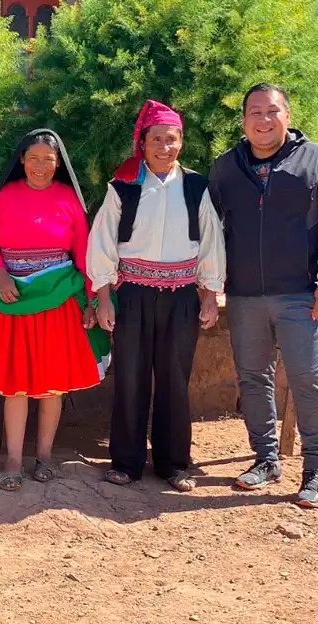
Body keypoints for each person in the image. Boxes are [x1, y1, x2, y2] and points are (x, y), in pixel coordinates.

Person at [208, 83, 318, 508]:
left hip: (299, 295)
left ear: (287, 117)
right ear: (244, 120)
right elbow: (206, 228)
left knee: (307, 379)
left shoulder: (316, 160)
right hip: (243, 296)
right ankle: (266, 459)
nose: (263, 120)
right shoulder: (226, 167)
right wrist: (210, 282)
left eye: (271, 111)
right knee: (253, 378)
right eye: (254, 112)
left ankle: (314, 471)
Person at [87, 100, 226, 492]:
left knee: (174, 379)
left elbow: (211, 240)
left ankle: (174, 463)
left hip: (182, 296)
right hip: (131, 294)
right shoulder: (124, 187)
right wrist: (104, 296)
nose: (164, 147)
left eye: (172, 139)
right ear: (142, 144)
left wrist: (210, 294)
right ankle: (126, 463)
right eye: (156, 139)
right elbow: (101, 242)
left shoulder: (196, 186)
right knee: (129, 377)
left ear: (181, 143)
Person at [0, 129, 110, 492]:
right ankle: (14, 460)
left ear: (58, 163)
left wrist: (91, 301)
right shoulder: (6, 196)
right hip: (13, 300)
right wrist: (0, 274)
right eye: (32, 158)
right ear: (21, 160)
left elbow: (83, 256)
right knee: (14, 385)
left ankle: (45, 457)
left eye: (47, 159)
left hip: (58, 300)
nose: (39, 166)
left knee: (51, 387)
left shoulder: (68, 198)